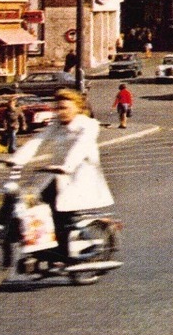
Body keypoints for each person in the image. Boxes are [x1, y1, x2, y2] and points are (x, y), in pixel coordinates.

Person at [9, 90, 114, 263]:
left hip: (80, 177)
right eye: (58, 108)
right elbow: (38, 140)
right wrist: (17, 159)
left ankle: (64, 253)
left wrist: (68, 166)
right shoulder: (57, 124)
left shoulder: (88, 125)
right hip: (58, 175)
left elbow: (80, 147)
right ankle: (44, 247)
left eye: (65, 107)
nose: (61, 111)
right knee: (33, 203)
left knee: (60, 213)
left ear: (77, 108)